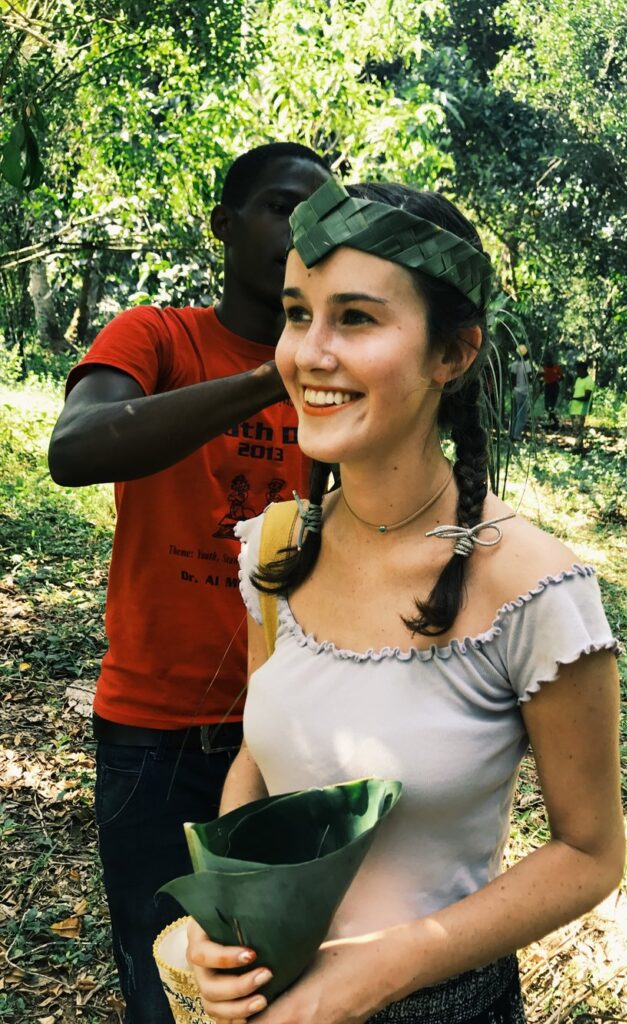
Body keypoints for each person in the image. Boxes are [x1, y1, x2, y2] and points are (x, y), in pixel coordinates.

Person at [187, 179, 625, 1024]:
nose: (310, 353)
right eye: (295, 311)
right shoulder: (277, 549)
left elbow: (589, 853)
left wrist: (381, 970)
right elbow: (257, 758)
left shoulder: (532, 590)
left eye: (355, 318)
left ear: (453, 354)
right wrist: (228, 913)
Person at [47, 143, 331, 1024]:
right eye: (285, 207)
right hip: (153, 727)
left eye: (323, 217)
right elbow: (77, 447)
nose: (303, 233)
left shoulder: (333, 372)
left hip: (286, 725)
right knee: (162, 968)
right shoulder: (155, 336)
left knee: (266, 980)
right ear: (224, 224)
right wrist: (264, 383)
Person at [567, 359, 596, 452]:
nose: (577, 372)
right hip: (574, 408)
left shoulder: (589, 381)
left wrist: (575, 398)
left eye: (579, 370)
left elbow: (586, 397)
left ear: (584, 370)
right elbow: (575, 392)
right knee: (575, 429)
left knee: (579, 429)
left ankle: (577, 447)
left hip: (581, 409)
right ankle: (579, 447)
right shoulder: (578, 379)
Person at [510, 343, 533, 440]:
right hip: (523, 392)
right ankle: (516, 435)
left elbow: (512, 379)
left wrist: (513, 389)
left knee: (514, 415)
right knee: (521, 416)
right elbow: (529, 378)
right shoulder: (527, 365)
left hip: (515, 391)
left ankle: (511, 434)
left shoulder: (514, 365)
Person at [541, 349, 564, 429]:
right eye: (547, 359)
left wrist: (556, 379)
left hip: (554, 386)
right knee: (547, 405)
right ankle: (553, 421)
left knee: (552, 406)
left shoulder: (556, 367)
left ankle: (552, 422)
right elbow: (541, 377)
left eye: (550, 359)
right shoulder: (544, 368)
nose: (549, 360)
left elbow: (562, 377)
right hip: (547, 386)